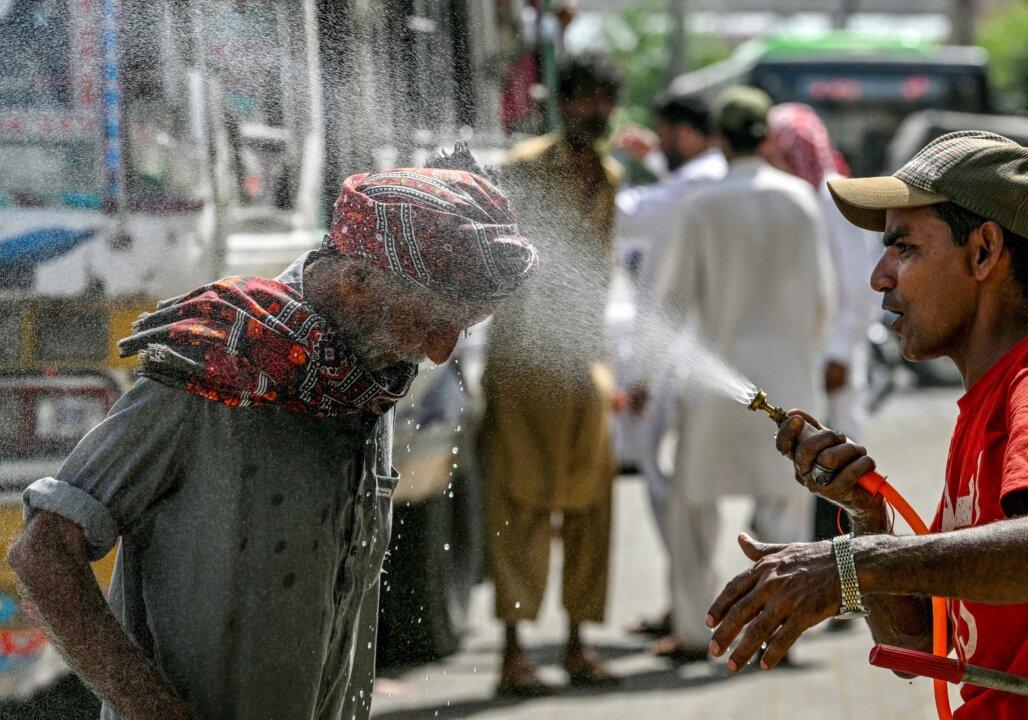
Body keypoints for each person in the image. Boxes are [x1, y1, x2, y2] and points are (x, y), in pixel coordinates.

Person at [8, 147, 537, 720]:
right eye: (429, 321)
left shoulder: (363, 381)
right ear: (358, 285)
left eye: (457, 330)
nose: (438, 351)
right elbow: (42, 552)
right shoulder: (218, 375)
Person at [704, 131, 1028, 719]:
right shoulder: (988, 400)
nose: (880, 277)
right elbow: (916, 647)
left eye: (904, 248)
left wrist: (847, 566)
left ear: (983, 252)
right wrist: (864, 520)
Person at [638, 86, 834, 660]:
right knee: (782, 506)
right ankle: (779, 628)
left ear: (720, 139)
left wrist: (647, 375)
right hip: (788, 379)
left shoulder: (702, 205)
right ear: (767, 139)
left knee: (691, 506)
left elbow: (671, 301)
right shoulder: (800, 200)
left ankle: (698, 630)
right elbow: (822, 299)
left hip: (718, 379)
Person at [481, 52, 623, 695]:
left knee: (593, 505)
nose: (595, 111)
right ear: (562, 103)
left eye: (604, 100)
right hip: (523, 363)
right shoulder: (522, 168)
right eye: (584, 99)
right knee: (519, 506)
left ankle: (576, 642)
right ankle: (512, 652)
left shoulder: (612, 177)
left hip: (584, 362)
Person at [612, 92, 728, 638]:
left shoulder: (690, 188)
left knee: (673, 489)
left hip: (674, 361)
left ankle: (695, 615)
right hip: (697, 356)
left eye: (666, 135)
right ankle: (690, 606)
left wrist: (595, 170)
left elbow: (625, 217)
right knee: (681, 489)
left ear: (684, 131)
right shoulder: (713, 176)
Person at [762, 103, 879, 545]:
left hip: (836, 355)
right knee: (810, 465)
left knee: (844, 466)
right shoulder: (796, 199)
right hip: (804, 351)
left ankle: (853, 583)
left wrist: (839, 353)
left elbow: (858, 285)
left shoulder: (832, 198)